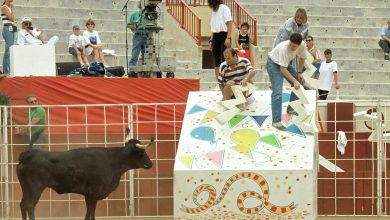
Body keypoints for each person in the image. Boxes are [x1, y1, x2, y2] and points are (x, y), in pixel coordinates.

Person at [266, 33, 307, 130]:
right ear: (289, 41)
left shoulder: (303, 45)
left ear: (299, 44)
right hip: (274, 64)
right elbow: (283, 69)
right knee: (277, 93)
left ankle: (291, 108)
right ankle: (276, 121)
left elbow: (302, 57)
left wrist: (300, 72)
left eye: (294, 46)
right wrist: (295, 81)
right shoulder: (283, 48)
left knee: (299, 80)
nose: (292, 48)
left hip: (284, 64)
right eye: (291, 45)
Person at [208, 0, 233, 85]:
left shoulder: (224, 8)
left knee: (225, 59)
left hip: (224, 35)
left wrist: (228, 37)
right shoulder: (214, 11)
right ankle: (219, 82)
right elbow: (213, 28)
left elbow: (229, 23)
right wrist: (211, 40)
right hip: (215, 36)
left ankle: (227, 81)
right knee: (216, 60)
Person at [127, 2, 147, 67]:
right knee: (135, 54)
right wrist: (136, 26)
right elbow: (129, 25)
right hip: (137, 35)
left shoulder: (150, 15)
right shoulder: (134, 14)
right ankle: (132, 69)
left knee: (146, 55)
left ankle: (145, 69)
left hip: (147, 36)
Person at [1, 0, 16, 75]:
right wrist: (12, 10)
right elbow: (12, 18)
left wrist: (11, 10)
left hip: (11, 28)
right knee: (8, 50)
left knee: (9, 50)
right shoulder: (4, 7)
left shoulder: (8, 7)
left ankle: (7, 70)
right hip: (7, 29)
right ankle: (6, 70)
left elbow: (13, 18)